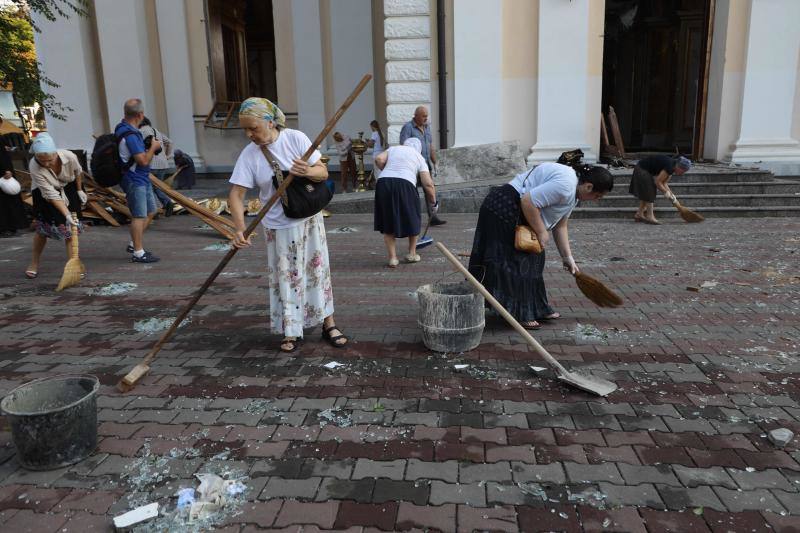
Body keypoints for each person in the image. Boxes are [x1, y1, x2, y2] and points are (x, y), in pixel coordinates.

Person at [228, 97, 348, 354]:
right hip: (277, 227)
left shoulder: (295, 138)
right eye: (245, 130)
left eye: (254, 128)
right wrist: (239, 229)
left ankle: (329, 323)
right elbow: (236, 195)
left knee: (318, 273)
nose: (249, 134)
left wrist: (307, 171)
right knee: (287, 277)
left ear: (270, 122)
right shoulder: (249, 155)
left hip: (308, 220)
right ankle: (291, 329)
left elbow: (323, 173)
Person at [468, 162, 614, 330]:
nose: (596, 200)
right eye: (598, 196)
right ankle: (519, 313)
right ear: (588, 187)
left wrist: (567, 258)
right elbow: (528, 201)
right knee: (519, 262)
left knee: (536, 260)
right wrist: (541, 232)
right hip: (503, 206)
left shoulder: (573, 193)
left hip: (515, 207)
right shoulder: (566, 186)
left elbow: (561, 225)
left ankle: (537, 308)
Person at [24, 133, 87, 279]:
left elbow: (78, 172)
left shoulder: (69, 156)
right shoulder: (34, 165)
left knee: (71, 230)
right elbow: (51, 194)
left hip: (69, 187)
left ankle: (73, 264)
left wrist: (79, 190)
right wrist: (66, 214)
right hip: (44, 193)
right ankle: (34, 262)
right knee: (42, 230)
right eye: (42, 161)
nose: (46, 164)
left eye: (50, 160)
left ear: (56, 154)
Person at [373, 138, 438, 268]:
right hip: (405, 184)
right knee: (412, 216)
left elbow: (379, 159)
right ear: (418, 148)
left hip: (383, 182)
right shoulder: (419, 157)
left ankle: (392, 258)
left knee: (388, 219)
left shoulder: (393, 149)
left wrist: (387, 170)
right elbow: (428, 184)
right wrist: (433, 202)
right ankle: (412, 254)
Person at [116, 98, 162, 263]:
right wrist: (153, 148)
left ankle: (133, 244)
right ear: (140, 114)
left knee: (151, 211)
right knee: (138, 215)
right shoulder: (131, 135)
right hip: (135, 179)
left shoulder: (121, 128)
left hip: (141, 178)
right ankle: (138, 252)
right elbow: (142, 160)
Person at [399, 106, 446, 226]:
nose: (426, 118)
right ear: (416, 116)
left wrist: (434, 162)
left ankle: (433, 217)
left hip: (425, 165)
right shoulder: (408, 128)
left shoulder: (427, 127)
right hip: (413, 166)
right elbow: (404, 146)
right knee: (412, 192)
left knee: (429, 190)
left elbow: (430, 146)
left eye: (427, 116)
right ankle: (411, 217)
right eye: (424, 116)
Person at [629, 155, 692, 224]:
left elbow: (664, 183)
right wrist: (666, 192)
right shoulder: (670, 166)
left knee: (647, 193)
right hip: (641, 169)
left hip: (644, 169)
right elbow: (658, 182)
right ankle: (650, 217)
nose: (682, 173)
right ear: (679, 167)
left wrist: (672, 196)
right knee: (650, 191)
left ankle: (639, 214)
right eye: (683, 171)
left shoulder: (672, 166)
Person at [138, 116, 175, 216]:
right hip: (163, 163)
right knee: (158, 187)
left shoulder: (140, 131)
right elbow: (170, 142)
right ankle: (165, 204)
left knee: (150, 188)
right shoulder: (156, 131)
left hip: (151, 164)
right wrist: (168, 155)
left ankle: (156, 209)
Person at [0, 136, 28, 237]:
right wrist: (5, 170)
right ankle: (8, 227)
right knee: (6, 202)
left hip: (4, 173)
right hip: (4, 174)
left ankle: (9, 227)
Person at [366, 119, 386, 185]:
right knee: (382, 170)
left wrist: (367, 142)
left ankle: (379, 184)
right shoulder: (382, 133)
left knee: (377, 171)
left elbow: (371, 145)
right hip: (383, 153)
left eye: (371, 127)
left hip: (376, 154)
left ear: (372, 126)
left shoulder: (374, 133)